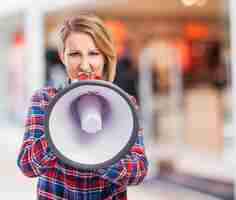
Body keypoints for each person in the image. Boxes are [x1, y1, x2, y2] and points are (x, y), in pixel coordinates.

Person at [17, 13, 148, 200]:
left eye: (93, 53)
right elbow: (27, 166)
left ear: (105, 56)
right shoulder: (45, 100)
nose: (85, 65)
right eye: (75, 54)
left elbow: (139, 172)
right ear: (63, 57)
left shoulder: (125, 104)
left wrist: (100, 156)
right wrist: (58, 132)